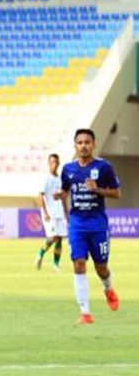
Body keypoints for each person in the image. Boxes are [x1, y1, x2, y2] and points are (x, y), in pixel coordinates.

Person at [56, 129, 120, 324]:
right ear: (75, 146)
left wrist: (97, 189)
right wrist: (61, 196)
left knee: (101, 267)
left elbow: (117, 193)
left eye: (87, 142)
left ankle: (108, 289)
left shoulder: (104, 167)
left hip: (98, 225)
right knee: (79, 263)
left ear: (93, 144)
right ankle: (85, 313)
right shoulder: (68, 169)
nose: (83, 146)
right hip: (77, 225)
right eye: (80, 143)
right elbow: (66, 190)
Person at [36, 153, 67, 271]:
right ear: (49, 163)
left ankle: (55, 264)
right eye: (52, 162)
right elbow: (40, 196)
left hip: (59, 213)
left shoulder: (60, 179)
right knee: (53, 237)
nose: (54, 164)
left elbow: (63, 196)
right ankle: (40, 254)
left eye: (56, 162)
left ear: (58, 164)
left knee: (59, 238)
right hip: (49, 213)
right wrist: (45, 212)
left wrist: (66, 212)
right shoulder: (46, 178)